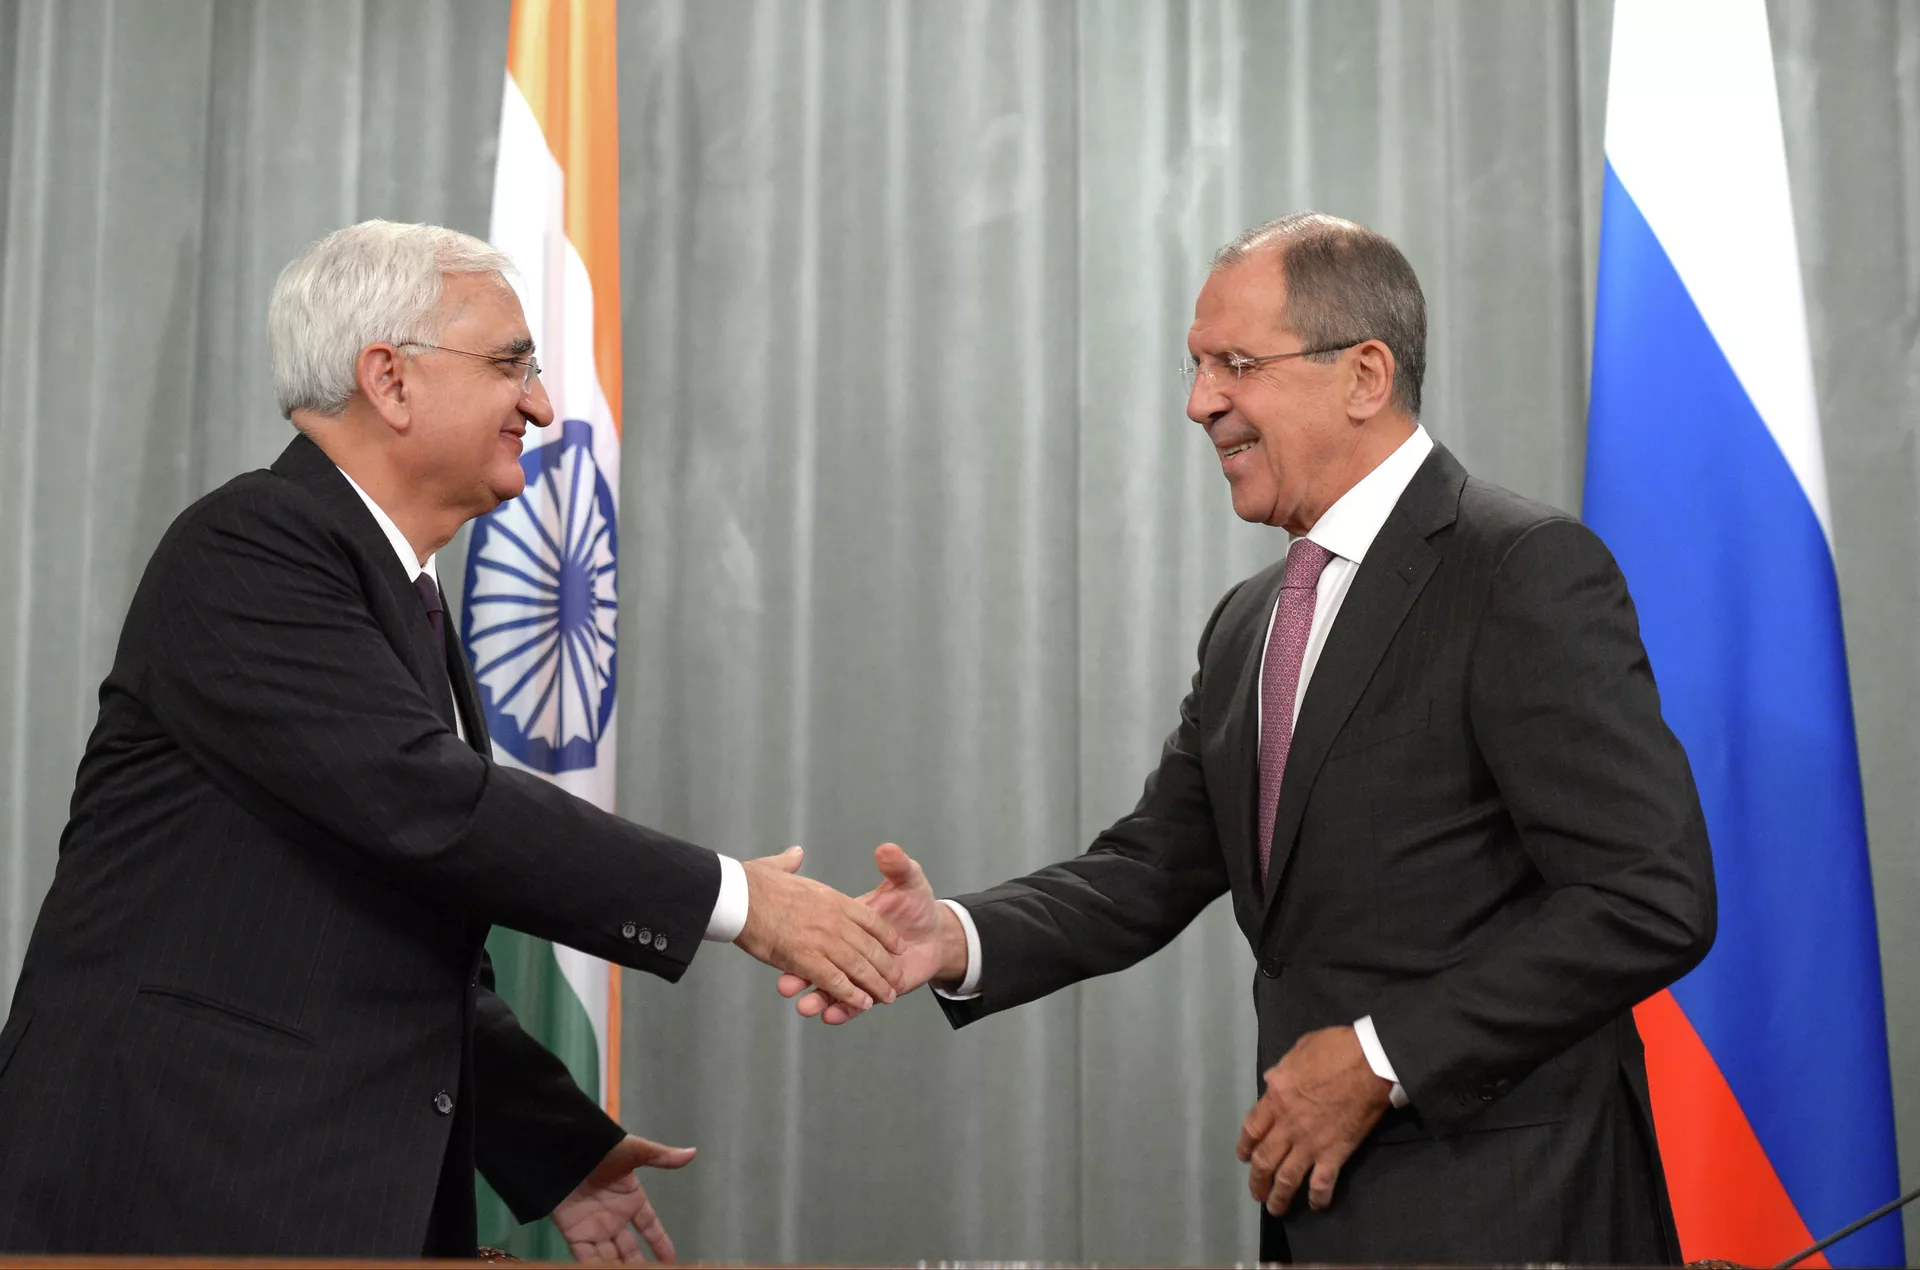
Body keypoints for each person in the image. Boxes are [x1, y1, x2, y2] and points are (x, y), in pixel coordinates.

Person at [782, 212, 1717, 1263]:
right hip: (1324, 1218)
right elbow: (1149, 869)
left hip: (1516, 1210)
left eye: (1235, 365)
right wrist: (954, 937)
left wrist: (1382, 1058)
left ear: (1364, 375)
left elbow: (1649, 895)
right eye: (1194, 367)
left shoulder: (1518, 570)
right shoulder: (1250, 623)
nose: (1200, 403)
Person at [0, 221, 904, 1262]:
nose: (541, 405)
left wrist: (555, 1147)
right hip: (173, 1185)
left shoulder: (402, 597)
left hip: (281, 1184)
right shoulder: (251, 545)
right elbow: (428, 807)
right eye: (512, 365)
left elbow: (390, 917)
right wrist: (739, 902)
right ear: (389, 380)